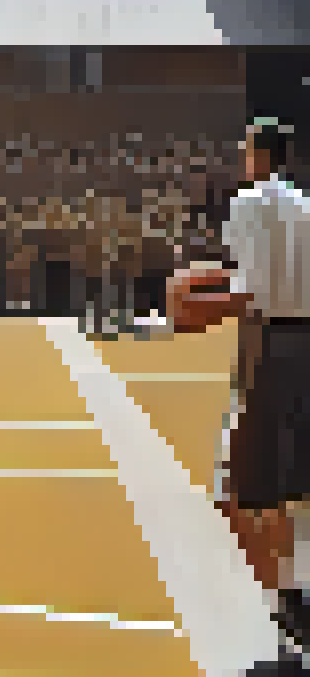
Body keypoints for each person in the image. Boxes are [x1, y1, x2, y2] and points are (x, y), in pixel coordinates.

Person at [171, 117, 310, 661]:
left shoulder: (251, 203)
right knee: (292, 482)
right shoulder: (304, 205)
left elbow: (251, 292)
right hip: (303, 341)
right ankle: (292, 590)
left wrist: (189, 307)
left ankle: (282, 602)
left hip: (269, 346)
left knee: (237, 490)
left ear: (256, 155)